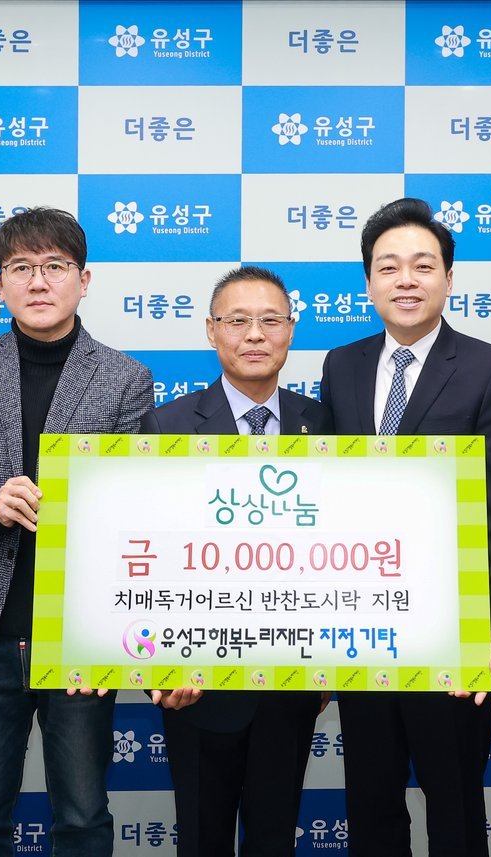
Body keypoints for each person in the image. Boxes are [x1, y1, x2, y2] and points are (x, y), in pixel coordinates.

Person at [0, 207, 154, 855]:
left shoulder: (125, 378)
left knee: (83, 816)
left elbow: (137, 504)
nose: (38, 281)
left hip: (79, 633)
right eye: (21, 268)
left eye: (55, 266)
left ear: (84, 279)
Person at [320, 198, 491, 856]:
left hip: (450, 622)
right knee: (371, 799)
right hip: (361, 622)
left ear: (449, 278)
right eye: (389, 267)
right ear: (368, 282)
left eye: (423, 265)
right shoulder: (342, 365)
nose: (405, 280)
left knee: (455, 802)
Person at [141, 266, 331, 856]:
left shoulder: (326, 425)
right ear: (211, 330)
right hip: (195, 682)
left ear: (290, 330)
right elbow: (146, 553)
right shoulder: (167, 426)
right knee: (202, 838)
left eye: (270, 321)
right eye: (238, 320)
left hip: (293, 680)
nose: (254, 334)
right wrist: (159, 665)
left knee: (276, 839)